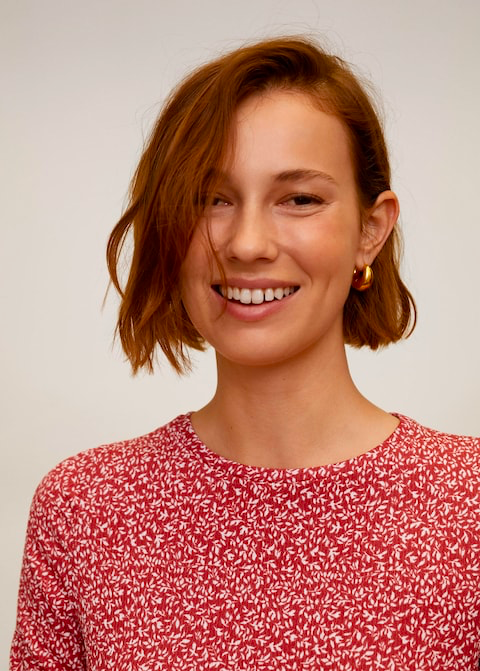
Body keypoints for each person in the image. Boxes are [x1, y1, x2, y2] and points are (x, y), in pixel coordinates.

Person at [10, 36, 480, 670]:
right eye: (211, 199)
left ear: (371, 230)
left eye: (300, 199)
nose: (247, 243)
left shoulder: (468, 507)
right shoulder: (84, 511)